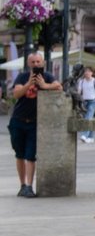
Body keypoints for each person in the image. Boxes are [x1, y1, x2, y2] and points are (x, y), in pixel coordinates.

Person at [9, 52, 63, 197]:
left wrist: (44, 85)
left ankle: (29, 186)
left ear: (43, 63)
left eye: (38, 62)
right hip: (18, 120)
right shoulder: (22, 77)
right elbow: (16, 94)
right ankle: (22, 185)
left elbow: (59, 86)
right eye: (33, 62)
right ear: (28, 64)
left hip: (35, 123)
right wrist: (29, 84)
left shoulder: (47, 76)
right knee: (19, 154)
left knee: (30, 155)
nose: (36, 64)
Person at [77, 67, 95, 143]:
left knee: (88, 118)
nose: (87, 73)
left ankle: (85, 135)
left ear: (92, 73)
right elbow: (79, 92)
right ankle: (91, 137)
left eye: (89, 71)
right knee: (90, 118)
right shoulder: (81, 82)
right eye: (86, 71)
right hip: (84, 101)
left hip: (92, 101)